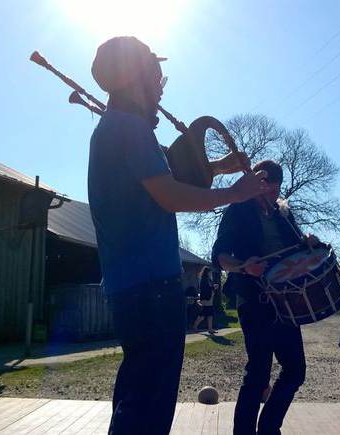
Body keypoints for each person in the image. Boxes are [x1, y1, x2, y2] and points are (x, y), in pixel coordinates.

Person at [87, 36, 268, 435]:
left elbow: (171, 177)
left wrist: (220, 167)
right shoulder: (129, 128)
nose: (161, 82)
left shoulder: (115, 127)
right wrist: (235, 193)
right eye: (155, 73)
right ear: (137, 76)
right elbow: (170, 195)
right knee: (149, 404)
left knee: (137, 394)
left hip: (130, 286)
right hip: (152, 285)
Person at [212, 160, 321, 435]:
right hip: (253, 299)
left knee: (295, 371)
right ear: (254, 183)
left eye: (276, 184)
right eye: (266, 182)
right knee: (258, 374)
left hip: (286, 303)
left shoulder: (284, 214)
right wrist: (242, 266)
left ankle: (269, 428)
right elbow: (220, 256)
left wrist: (308, 241)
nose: (272, 189)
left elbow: (298, 248)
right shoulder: (237, 210)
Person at [191, 266, 217, 334]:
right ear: (207, 272)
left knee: (206, 314)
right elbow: (205, 289)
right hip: (206, 299)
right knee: (206, 314)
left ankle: (209, 329)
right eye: (210, 272)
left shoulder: (209, 279)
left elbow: (210, 288)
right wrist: (213, 287)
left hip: (209, 299)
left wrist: (213, 287)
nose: (210, 273)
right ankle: (196, 327)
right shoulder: (204, 280)